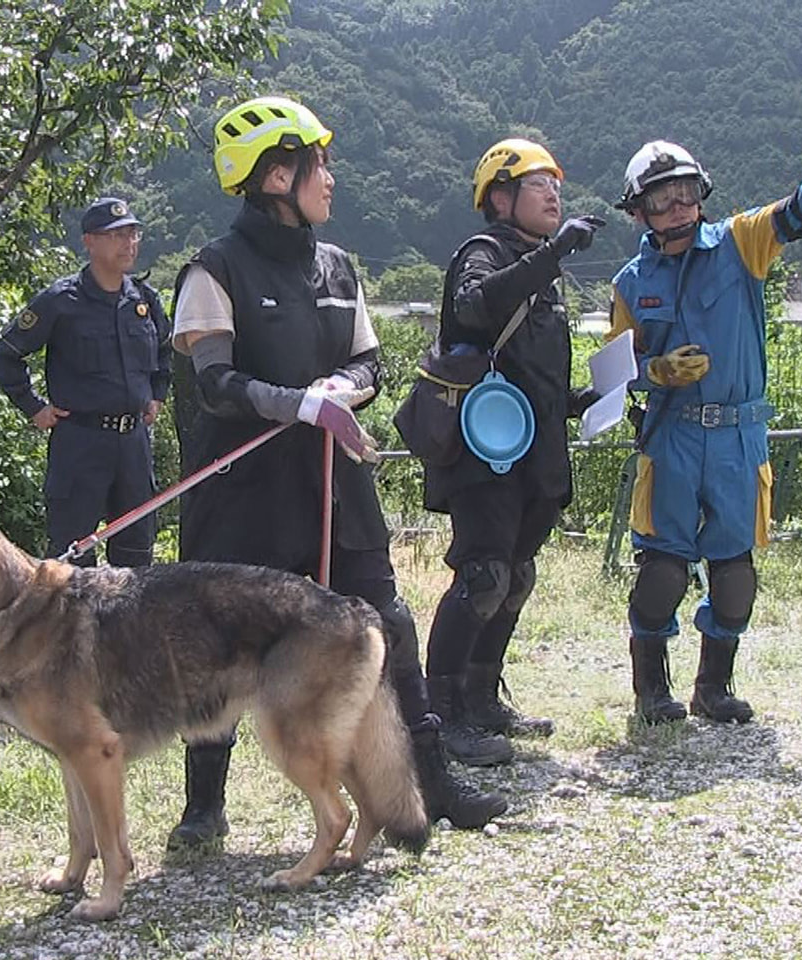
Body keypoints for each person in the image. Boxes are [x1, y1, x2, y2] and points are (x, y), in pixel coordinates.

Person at [168, 95, 507, 845]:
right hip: (242, 499)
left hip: (335, 488)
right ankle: (203, 807)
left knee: (388, 623)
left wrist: (340, 391)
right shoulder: (212, 269)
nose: (331, 176)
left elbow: (369, 362)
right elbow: (215, 384)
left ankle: (431, 783)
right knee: (222, 646)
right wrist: (297, 404)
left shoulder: (337, 265)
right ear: (277, 174)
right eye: (319, 163)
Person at [607, 107, 802, 724]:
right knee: (663, 572)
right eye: (662, 197)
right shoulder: (630, 282)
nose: (679, 206)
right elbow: (615, 367)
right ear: (639, 210)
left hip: (738, 436)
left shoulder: (739, 242)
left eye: (686, 193)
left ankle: (714, 687)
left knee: (734, 574)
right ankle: (651, 690)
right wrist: (656, 372)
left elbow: (799, 209)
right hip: (670, 438)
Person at [422, 138, 604, 767]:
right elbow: (474, 305)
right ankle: (438, 715)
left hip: (537, 451)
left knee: (516, 577)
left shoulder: (539, 267)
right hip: (484, 451)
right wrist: (554, 254)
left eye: (556, 184)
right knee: (483, 575)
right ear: (500, 197)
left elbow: (534, 374)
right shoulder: (485, 253)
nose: (554, 194)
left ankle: (481, 692)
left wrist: (590, 397)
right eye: (538, 184)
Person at [0, 197, 170, 568]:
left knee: (137, 558)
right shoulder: (61, 301)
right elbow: (6, 353)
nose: (129, 243)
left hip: (133, 444)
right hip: (81, 443)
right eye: (116, 235)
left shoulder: (143, 299)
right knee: (71, 561)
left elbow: (166, 352)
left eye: (133, 234)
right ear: (89, 241)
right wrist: (34, 407)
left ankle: (129, 630)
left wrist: (157, 396)